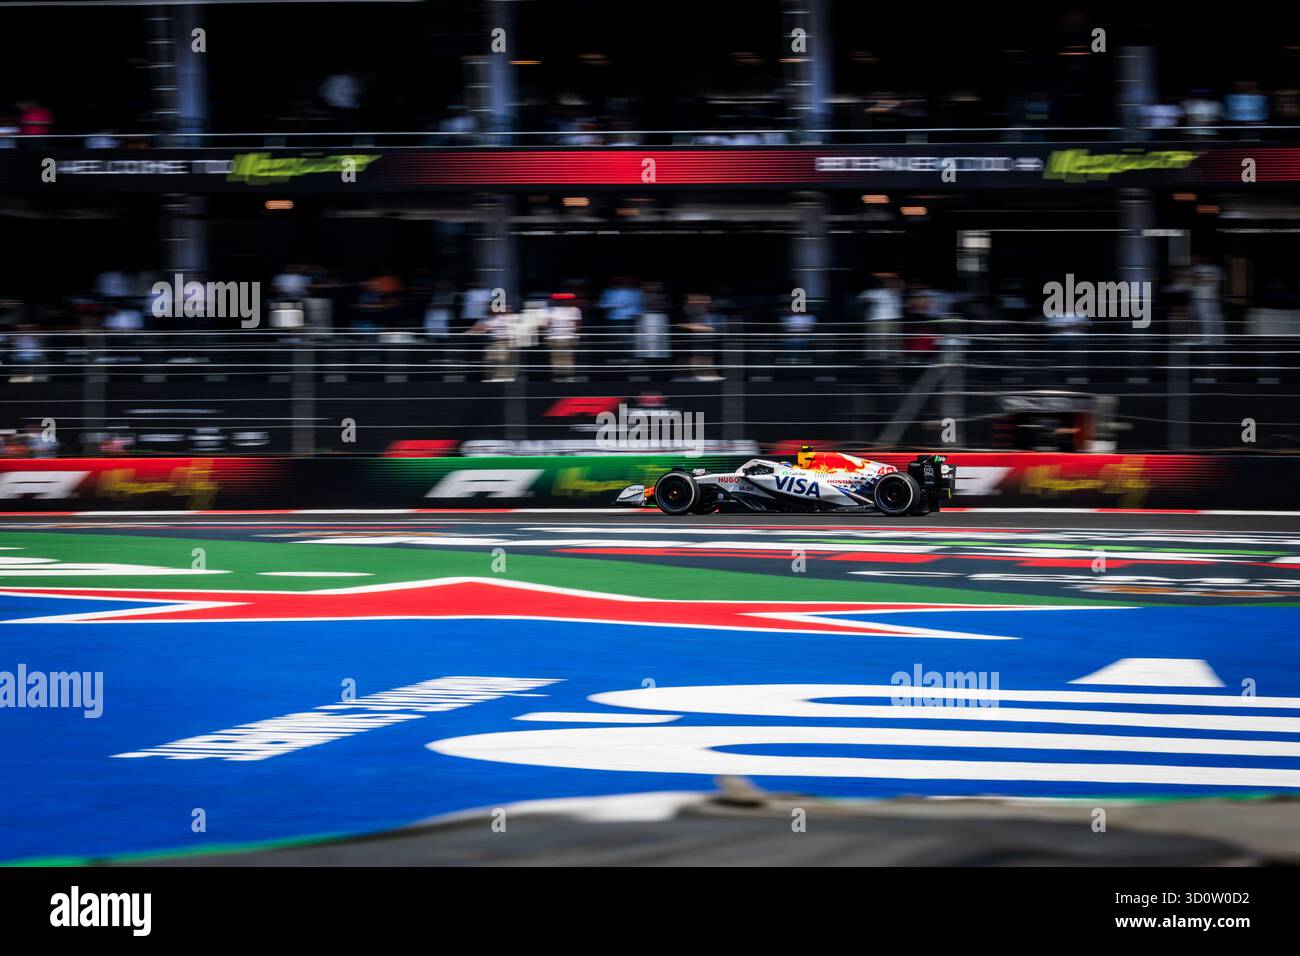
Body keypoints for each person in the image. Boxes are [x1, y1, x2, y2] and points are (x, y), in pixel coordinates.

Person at [545, 293, 582, 382]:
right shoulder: (549, 310)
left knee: (568, 358)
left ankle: (568, 376)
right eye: (560, 300)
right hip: (553, 337)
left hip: (568, 337)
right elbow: (546, 324)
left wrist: (575, 335)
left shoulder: (575, 310)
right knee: (556, 358)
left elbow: (577, 324)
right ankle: (558, 377)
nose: (563, 302)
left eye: (565, 300)